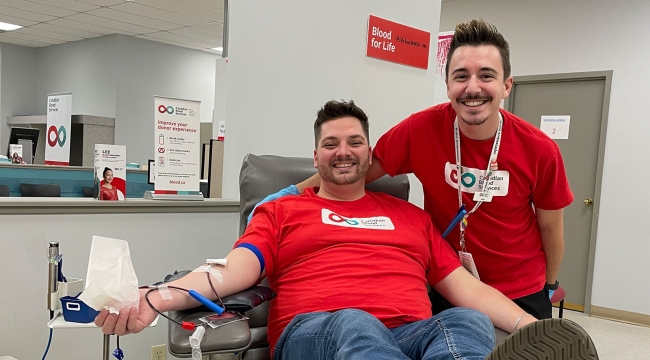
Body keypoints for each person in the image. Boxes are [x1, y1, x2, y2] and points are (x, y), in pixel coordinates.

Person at [96, 100, 596, 360]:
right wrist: (155, 297)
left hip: (411, 332)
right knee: (355, 322)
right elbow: (231, 271)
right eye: (331, 142)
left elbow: (466, 290)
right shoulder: (283, 212)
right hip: (318, 331)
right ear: (316, 156)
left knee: (465, 325)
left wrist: (535, 327)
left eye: (355, 141)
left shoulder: (411, 217)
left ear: (369, 153)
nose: (343, 150)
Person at [253, 19, 573, 320]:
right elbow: (355, 169)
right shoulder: (421, 130)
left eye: (487, 76)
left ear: (507, 85)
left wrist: (548, 285)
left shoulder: (539, 149)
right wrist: (292, 193)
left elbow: (550, 228)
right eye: (461, 76)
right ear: (448, 85)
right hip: (449, 284)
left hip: (521, 288)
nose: (473, 88)